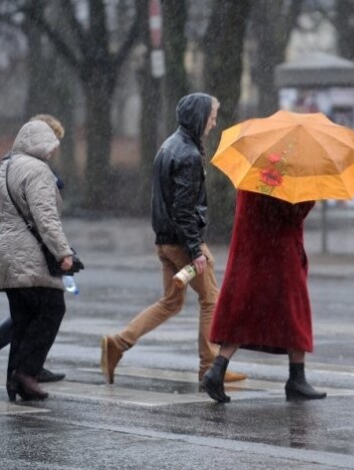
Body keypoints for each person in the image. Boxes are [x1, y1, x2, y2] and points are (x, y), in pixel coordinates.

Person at [100, 93, 246, 386]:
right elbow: (183, 208)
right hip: (183, 242)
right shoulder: (189, 154)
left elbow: (166, 202)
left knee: (170, 302)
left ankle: (118, 342)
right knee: (211, 301)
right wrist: (196, 250)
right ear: (200, 116)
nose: (214, 122)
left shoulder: (169, 145)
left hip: (165, 240)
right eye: (212, 116)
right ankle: (209, 367)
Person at [202, 191, 326, 403]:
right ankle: (297, 378)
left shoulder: (255, 171)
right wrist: (309, 196)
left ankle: (217, 368)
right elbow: (293, 211)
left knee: (243, 310)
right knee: (294, 312)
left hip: (251, 246)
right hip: (280, 250)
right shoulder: (283, 173)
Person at [0, 120, 75, 400]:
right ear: (39, 144)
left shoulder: (5, 166)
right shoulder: (37, 170)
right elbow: (46, 218)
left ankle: (14, 381)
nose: (52, 153)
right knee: (52, 309)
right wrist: (63, 253)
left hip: (6, 258)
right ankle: (27, 372)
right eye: (51, 147)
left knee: (22, 318)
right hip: (30, 256)